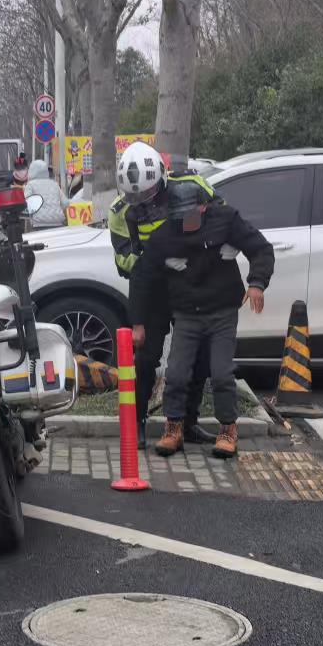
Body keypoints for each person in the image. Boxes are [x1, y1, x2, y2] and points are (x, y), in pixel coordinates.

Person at [129, 179, 274, 459]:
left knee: (221, 373)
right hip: (187, 313)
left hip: (222, 312)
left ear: (203, 207)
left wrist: (257, 283)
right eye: (179, 216)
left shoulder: (226, 220)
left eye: (190, 215)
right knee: (176, 373)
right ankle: (174, 428)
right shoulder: (165, 234)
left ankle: (228, 430)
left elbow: (261, 249)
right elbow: (141, 276)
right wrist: (138, 323)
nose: (185, 222)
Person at [108, 141, 220, 449]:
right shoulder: (120, 211)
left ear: (161, 177)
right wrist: (156, 260)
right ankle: (138, 423)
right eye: (135, 196)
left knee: (199, 355)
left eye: (148, 193)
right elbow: (123, 260)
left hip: (191, 285)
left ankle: (188, 422)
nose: (143, 201)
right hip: (152, 289)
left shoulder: (192, 185)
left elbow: (222, 218)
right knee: (145, 359)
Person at [25, 159, 67, 228]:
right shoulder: (54, 184)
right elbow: (65, 203)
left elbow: (27, 204)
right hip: (58, 222)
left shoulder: (30, 185)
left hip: (39, 223)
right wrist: (56, 211)